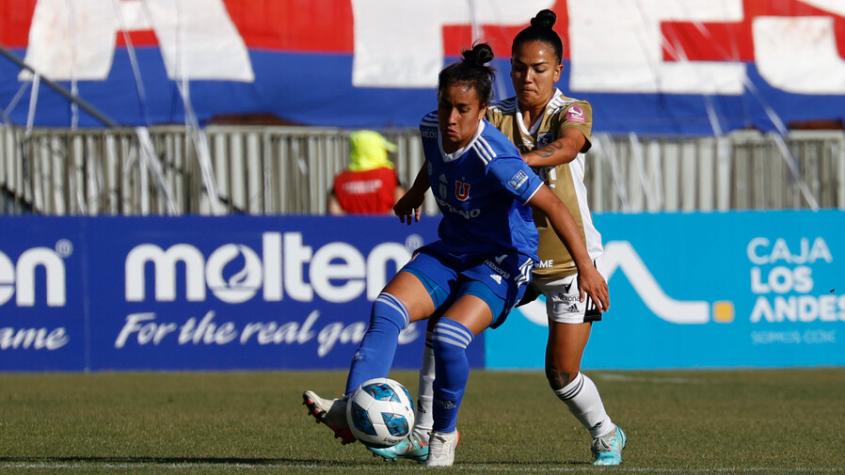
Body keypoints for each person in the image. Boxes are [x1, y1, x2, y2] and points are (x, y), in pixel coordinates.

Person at [303, 43, 609, 467]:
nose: (451, 117)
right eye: (446, 105)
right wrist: (415, 190)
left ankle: (448, 437)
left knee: (541, 367)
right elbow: (438, 157)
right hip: (456, 249)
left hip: (520, 259)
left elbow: (560, 183)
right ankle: (356, 408)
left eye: (462, 109)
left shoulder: (521, 140)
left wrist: (587, 267)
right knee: (389, 309)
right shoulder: (437, 126)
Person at [380, 9, 627, 466]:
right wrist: (417, 190)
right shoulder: (493, 114)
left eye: (537, 69)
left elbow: (569, 146)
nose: (526, 77)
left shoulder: (573, 110)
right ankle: (424, 433)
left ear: (558, 70)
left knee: (561, 373)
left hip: (569, 260)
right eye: (518, 67)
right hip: (510, 253)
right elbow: (448, 151)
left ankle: (606, 432)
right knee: (442, 327)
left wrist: (511, 166)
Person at [328, 130, 405, 215]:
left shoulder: (340, 179)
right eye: (384, 151)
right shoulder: (389, 175)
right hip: (385, 227)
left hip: (351, 227)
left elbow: (334, 212)